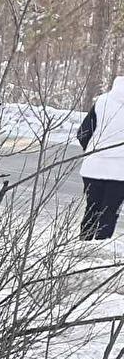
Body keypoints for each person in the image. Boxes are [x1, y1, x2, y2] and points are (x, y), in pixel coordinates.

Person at [78, 76, 124, 240]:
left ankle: (83, 243)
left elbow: (83, 132)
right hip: (120, 172)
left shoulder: (102, 101)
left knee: (91, 209)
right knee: (109, 212)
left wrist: (92, 151)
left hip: (93, 167)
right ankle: (99, 246)